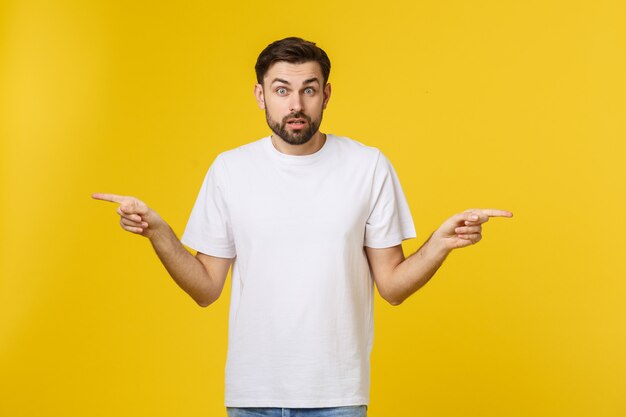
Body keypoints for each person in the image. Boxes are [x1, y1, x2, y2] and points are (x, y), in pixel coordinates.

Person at [93, 37, 512, 417]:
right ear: (260, 95)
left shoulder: (367, 167)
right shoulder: (231, 169)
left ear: (325, 94)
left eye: (308, 89)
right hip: (253, 394)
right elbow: (206, 289)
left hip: (338, 396)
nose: (296, 104)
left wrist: (440, 244)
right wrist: (159, 233)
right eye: (281, 90)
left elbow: (392, 287)